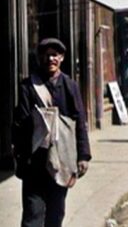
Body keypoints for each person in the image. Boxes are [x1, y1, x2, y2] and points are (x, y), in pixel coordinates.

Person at [14, 38, 91, 227]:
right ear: (40, 57)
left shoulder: (69, 86)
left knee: (56, 213)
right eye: (47, 55)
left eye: (55, 55)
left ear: (62, 58)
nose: (51, 59)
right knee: (32, 214)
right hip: (35, 161)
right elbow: (19, 124)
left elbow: (79, 121)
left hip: (62, 159)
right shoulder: (27, 87)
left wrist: (83, 156)